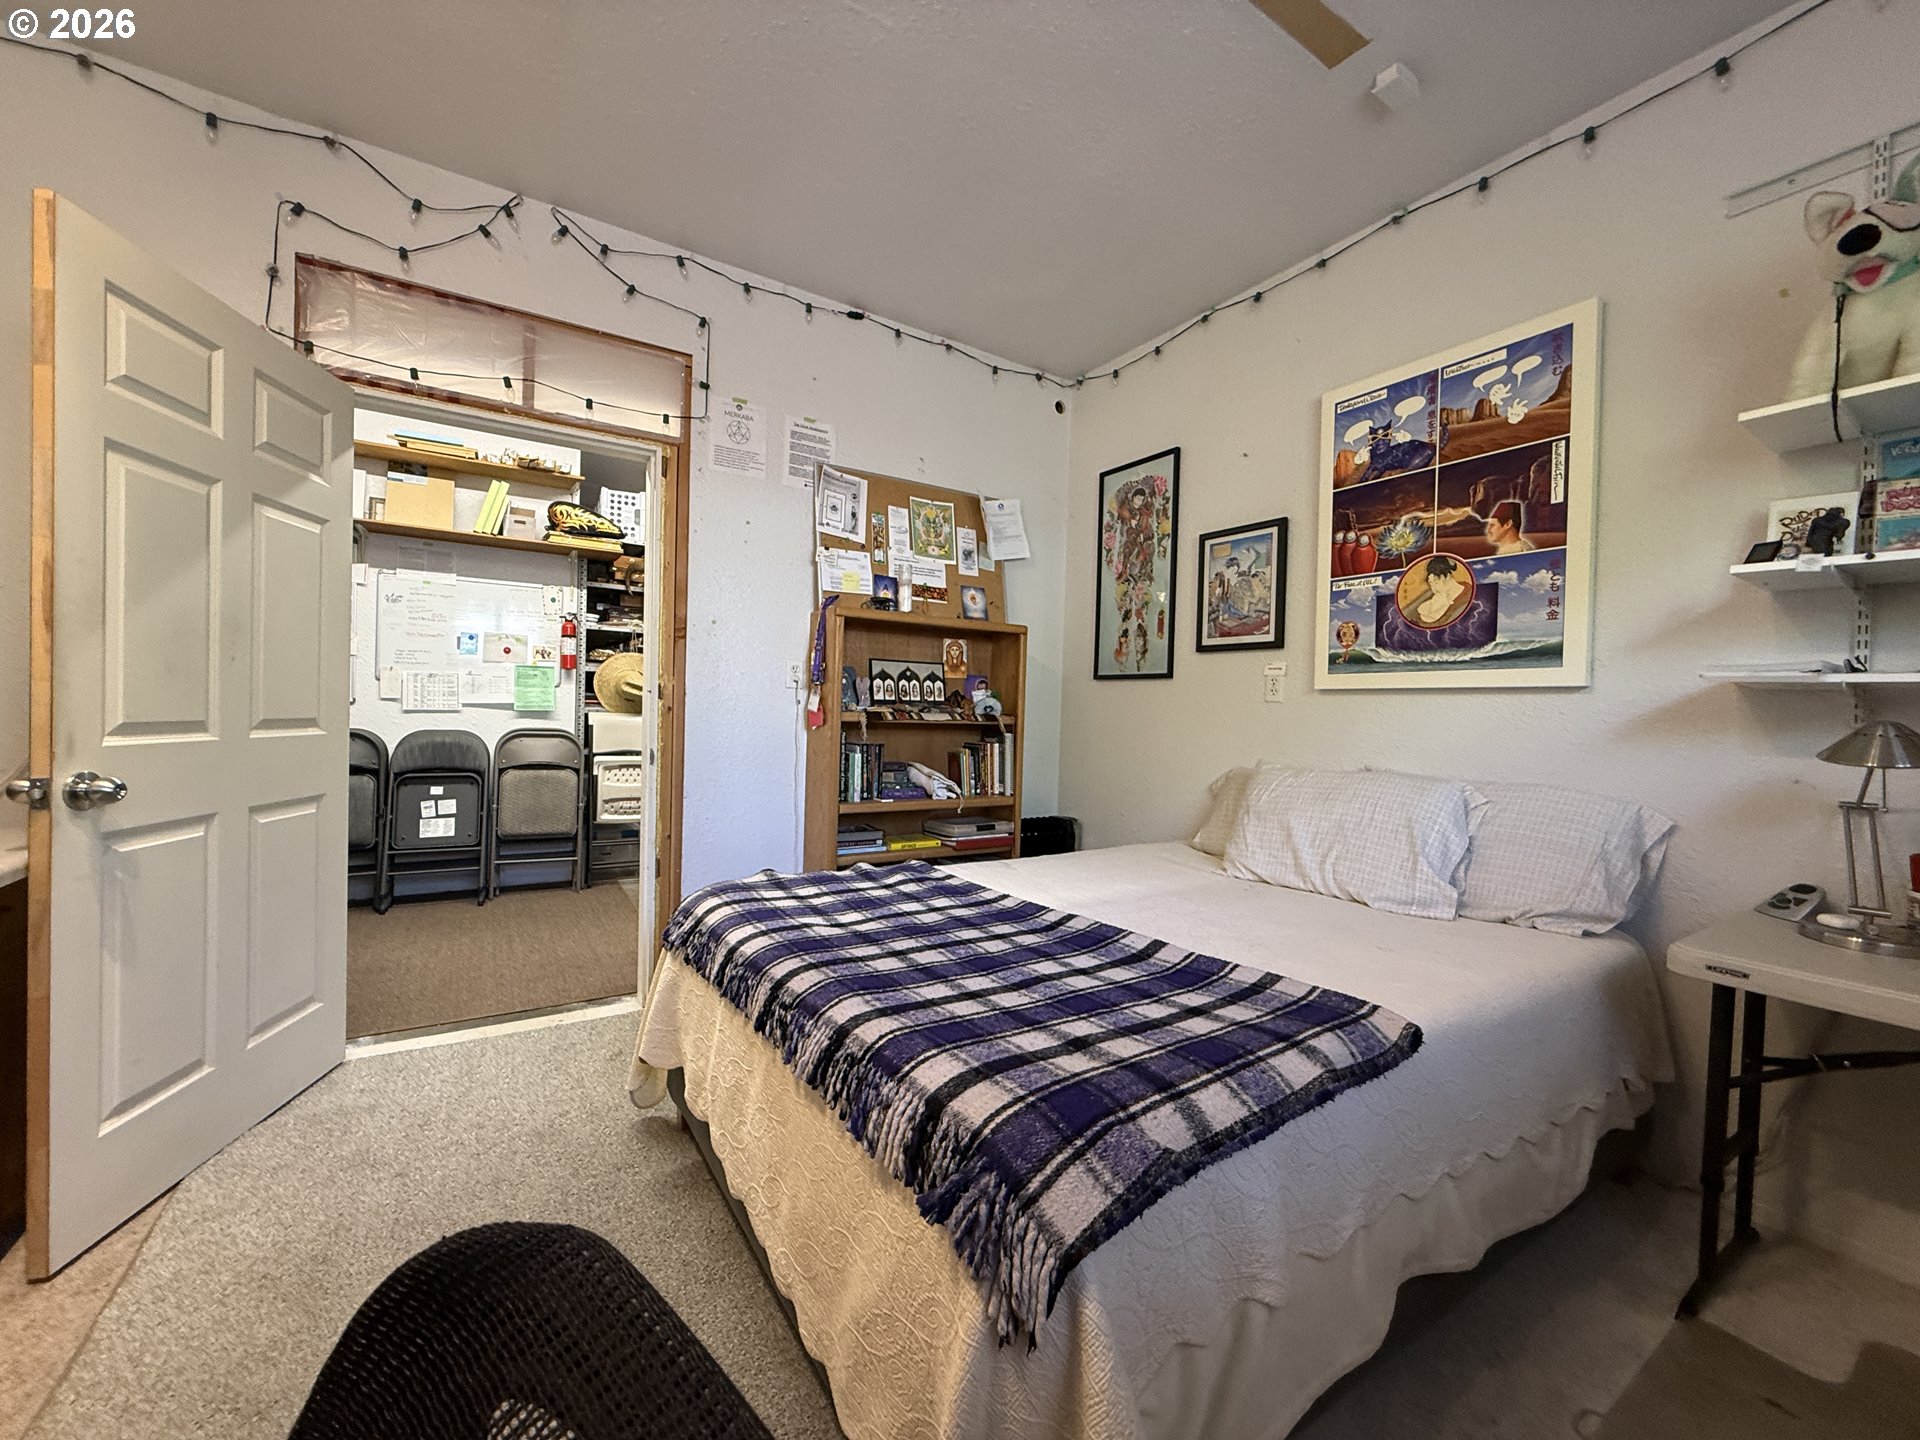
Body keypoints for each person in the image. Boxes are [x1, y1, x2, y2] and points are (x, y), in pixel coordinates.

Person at [1405, 554, 1469, 627]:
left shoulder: (1466, 595)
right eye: (1431, 583)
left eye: (1436, 581)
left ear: (1448, 577)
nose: (1434, 588)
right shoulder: (1433, 595)